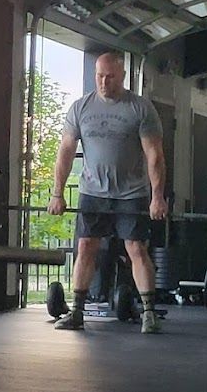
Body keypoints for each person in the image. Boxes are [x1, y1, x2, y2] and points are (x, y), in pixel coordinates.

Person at [48, 52, 168, 333]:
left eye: (110, 77)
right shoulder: (80, 108)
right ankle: (77, 312)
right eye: (99, 76)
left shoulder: (140, 108)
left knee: (136, 249)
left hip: (131, 193)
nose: (104, 82)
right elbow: (65, 152)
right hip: (93, 192)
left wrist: (157, 197)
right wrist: (57, 193)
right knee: (85, 246)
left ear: (122, 76)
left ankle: (149, 314)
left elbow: (155, 155)